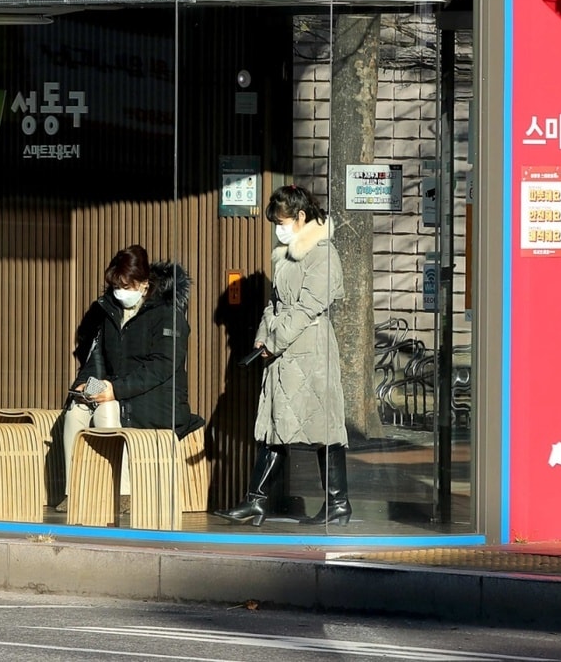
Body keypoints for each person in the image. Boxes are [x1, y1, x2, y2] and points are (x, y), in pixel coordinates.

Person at [216, 185, 349, 527]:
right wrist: (265, 336)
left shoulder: (323, 253)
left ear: (301, 217)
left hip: (311, 349)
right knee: (276, 424)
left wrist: (274, 340)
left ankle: (337, 502)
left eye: (282, 220)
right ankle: (256, 501)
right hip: (285, 350)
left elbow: (307, 307)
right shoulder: (285, 254)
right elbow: (275, 303)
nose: (278, 227)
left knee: (322, 425)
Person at [59, 244, 204, 508]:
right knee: (76, 411)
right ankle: (73, 490)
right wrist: (86, 384)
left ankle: (123, 492)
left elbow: (163, 365)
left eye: (126, 286)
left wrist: (115, 390)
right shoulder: (109, 311)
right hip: (117, 389)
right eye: (116, 285)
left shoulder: (167, 314)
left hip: (155, 400)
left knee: (106, 409)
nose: (120, 292)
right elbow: (97, 355)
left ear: (144, 283)